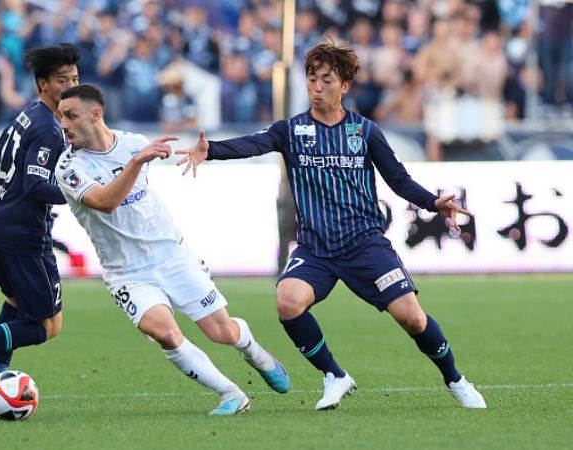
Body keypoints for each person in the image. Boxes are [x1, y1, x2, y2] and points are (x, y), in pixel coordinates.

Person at [175, 42, 487, 410]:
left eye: (326, 79)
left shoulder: (364, 131)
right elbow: (253, 145)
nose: (316, 87)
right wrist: (209, 150)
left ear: (346, 86)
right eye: (311, 79)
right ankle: (334, 375)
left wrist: (433, 203)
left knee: (413, 319)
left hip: (364, 244)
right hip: (315, 249)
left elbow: (398, 180)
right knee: (287, 302)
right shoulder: (290, 131)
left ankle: (456, 380)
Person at [54, 84, 290, 416]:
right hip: (127, 273)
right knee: (163, 332)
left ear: (96, 114)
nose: (63, 124)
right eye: (61, 117)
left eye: (70, 115)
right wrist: (136, 163)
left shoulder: (133, 143)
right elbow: (105, 203)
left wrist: (189, 153)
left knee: (221, 332)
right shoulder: (69, 168)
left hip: (172, 255)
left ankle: (252, 349)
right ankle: (231, 393)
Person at [0, 44, 80, 400]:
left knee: (16, 303)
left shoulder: (27, 115)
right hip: (25, 238)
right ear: (42, 84)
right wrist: (81, 194)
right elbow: (36, 187)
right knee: (48, 326)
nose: (71, 86)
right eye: (62, 80)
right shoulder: (49, 130)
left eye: (76, 79)